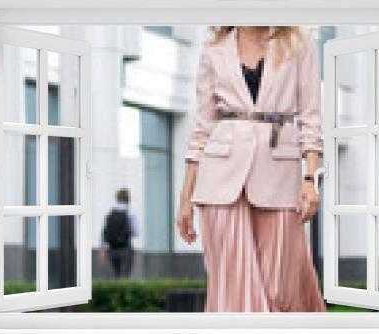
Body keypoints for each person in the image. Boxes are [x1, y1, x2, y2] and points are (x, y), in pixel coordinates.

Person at [176, 26, 326, 312]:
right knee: (234, 288)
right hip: (219, 179)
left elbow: (310, 117)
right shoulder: (214, 49)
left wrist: (310, 178)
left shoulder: (297, 43)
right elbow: (203, 127)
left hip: (279, 177)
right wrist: (186, 197)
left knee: (280, 289)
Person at [103, 188, 139, 278]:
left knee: (116, 274)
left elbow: (105, 230)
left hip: (112, 248)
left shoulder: (111, 212)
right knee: (125, 275)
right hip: (125, 247)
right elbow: (135, 231)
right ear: (128, 198)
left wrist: (103, 248)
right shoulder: (131, 212)